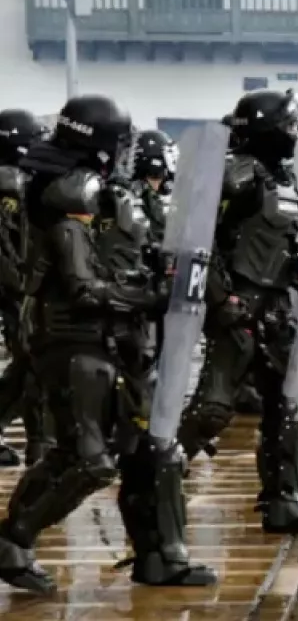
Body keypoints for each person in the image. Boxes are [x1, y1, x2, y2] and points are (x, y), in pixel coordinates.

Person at [0, 96, 215, 593]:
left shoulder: (93, 191)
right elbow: (82, 286)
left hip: (116, 340)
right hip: (76, 341)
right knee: (87, 460)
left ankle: (160, 557)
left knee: (151, 452)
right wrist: (152, 296)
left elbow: (121, 259)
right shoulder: (67, 192)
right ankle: (12, 538)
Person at [178, 90, 298, 535]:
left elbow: (278, 239)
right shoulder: (237, 175)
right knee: (212, 409)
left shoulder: (282, 178)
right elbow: (197, 240)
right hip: (238, 303)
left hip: (276, 305)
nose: (293, 132)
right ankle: (155, 477)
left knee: (286, 406)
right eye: (287, 125)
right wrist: (219, 298)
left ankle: (283, 501)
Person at [0, 108, 50, 467]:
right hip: (15, 289)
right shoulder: (9, 186)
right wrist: (25, 287)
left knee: (30, 364)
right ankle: (40, 444)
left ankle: (41, 442)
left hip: (18, 287)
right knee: (33, 363)